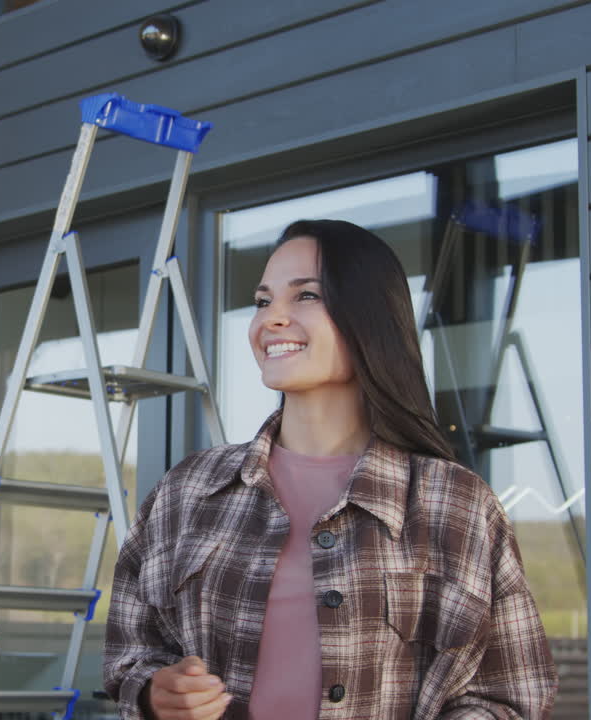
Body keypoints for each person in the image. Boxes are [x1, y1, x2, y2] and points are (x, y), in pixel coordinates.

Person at [103, 220, 558, 719]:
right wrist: (155, 693)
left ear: (370, 316)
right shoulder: (187, 490)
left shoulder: (456, 503)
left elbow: (508, 694)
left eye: (306, 296)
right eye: (262, 301)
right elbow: (132, 653)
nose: (271, 318)